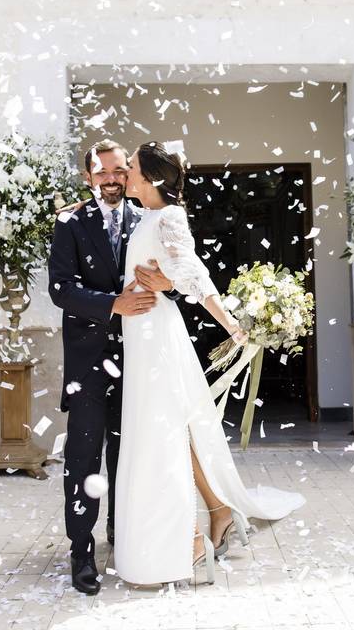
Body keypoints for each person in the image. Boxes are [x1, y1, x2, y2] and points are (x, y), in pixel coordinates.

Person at [113, 142, 305, 587]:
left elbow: (194, 275)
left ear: (152, 178)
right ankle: (216, 514)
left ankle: (193, 538)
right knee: (166, 430)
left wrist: (235, 327)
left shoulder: (169, 217)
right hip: (139, 332)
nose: (127, 175)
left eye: (134, 169)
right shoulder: (145, 218)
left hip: (155, 330)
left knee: (165, 431)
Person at [48, 139, 180, 595]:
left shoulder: (148, 218)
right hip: (88, 363)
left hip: (139, 362)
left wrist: (167, 283)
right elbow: (61, 290)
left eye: (118, 171)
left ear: (130, 174)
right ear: (88, 177)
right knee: (84, 458)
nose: (110, 179)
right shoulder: (69, 222)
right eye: (101, 172)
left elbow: (173, 276)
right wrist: (112, 305)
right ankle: (80, 550)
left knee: (129, 455)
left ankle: (122, 536)